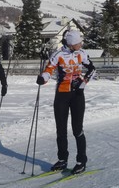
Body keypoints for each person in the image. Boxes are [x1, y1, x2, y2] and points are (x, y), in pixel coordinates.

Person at [36, 30, 96, 174]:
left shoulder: (82, 53)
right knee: (61, 130)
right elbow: (48, 70)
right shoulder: (58, 55)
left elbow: (92, 69)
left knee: (77, 129)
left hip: (77, 95)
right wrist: (43, 78)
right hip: (62, 95)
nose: (81, 44)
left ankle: (81, 161)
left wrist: (82, 82)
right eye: (78, 42)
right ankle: (62, 159)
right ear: (71, 44)